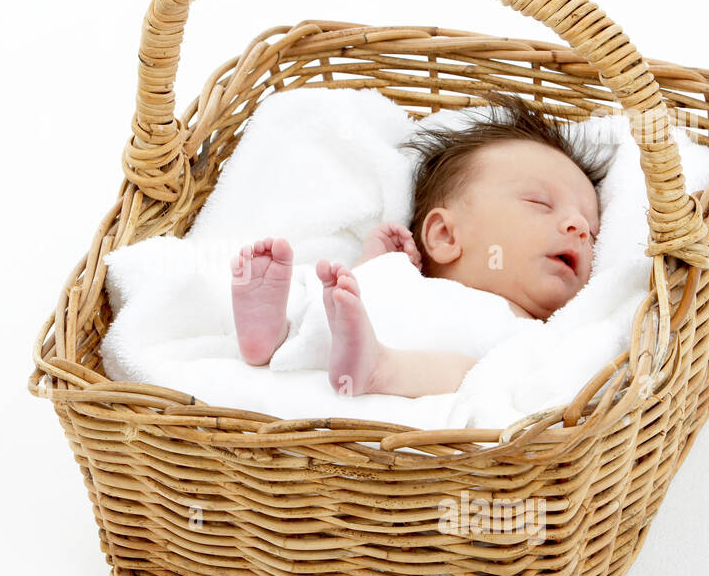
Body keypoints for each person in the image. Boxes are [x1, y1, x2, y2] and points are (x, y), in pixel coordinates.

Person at [229, 92, 612, 399]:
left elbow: (518, 398)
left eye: (592, 233)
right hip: (353, 329)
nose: (578, 226)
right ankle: (276, 334)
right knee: (333, 290)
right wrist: (375, 264)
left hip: (407, 370)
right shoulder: (407, 282)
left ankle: (379, 367)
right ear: (445, 236)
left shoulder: (533, 337)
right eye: (540, 204)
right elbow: (371, 295)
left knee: (475, 376)